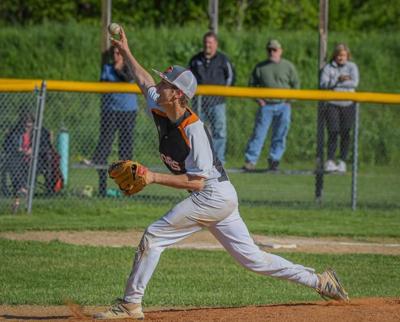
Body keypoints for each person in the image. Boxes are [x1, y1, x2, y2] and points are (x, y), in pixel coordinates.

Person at [94, 29, 349, 320]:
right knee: (253, 259)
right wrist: (126, 50)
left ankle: (130, 304)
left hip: (211, 195)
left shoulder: (194, 129)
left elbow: (197, 181)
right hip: (218, 196)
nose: (159, 86)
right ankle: (321, 281)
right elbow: (143, 80)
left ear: (178, 94)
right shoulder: (162, 108)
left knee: (154, 235)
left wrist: (152, 177)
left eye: (166, 84)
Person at [88, 46, 138, 196]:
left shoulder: (128, 67)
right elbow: (102, 85)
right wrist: (113, 70)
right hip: (110, 111)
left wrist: (117, 69)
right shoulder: (107, 68)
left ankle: (127, 187)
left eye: (119, 53)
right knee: (105, 145)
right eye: (114, 53)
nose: (116, 56)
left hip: (127, 112)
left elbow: (127, 78)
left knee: (125, 148)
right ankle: (102, 187)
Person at [243, 39, 299, 171]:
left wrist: (289, 101)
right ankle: (250, 161)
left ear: (280, 51)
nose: (272, 52)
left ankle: (274, 160)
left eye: (274, 49)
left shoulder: (288, 66)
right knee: (258, 134)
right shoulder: (260, 67)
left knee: (280, 134)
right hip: (266, 105)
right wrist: (259, 99)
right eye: (269, 50)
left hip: (283, 105)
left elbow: (296, 85)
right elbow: (251, 86)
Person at [188, 31, 235, 165]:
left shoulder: (223, 60)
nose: (207, 45)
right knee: (197, 132)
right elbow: (188, 78)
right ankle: (199, 160)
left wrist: (222, 93)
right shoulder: (195, 59)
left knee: (219, 131)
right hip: (199, 102)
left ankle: (218, 161)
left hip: (217, 102)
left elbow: (230, 77)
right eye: (206, 42)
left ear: (216, 44)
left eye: (210, 42)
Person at [1, 111, 63, 200]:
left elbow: (47, 147)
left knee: (34, 163)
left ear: (34, 123)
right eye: (25, 123)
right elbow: (6, 145)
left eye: (30, 124)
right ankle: (21, 188)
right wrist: (18, 150)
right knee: (14, 162)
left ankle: (26, 189)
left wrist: (34, 150)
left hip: (37, 159)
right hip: (18, 157)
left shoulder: (42, 131)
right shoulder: (14, 131)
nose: (27, 126)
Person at [320, 44, 359, 173]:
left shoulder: (352, 67)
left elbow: (354, 83)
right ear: (334, 56)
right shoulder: (328, 68)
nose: (340, 58)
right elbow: (324, 84)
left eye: (343, 55)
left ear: (347, 56)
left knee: (346, 133)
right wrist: (338, 80)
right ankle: (330, 160)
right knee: (333, 131)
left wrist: (343, 82)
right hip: (332, 104)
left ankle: (342, 161)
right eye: (338, 55)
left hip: (348, 104)